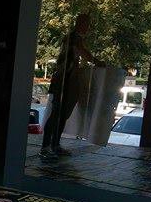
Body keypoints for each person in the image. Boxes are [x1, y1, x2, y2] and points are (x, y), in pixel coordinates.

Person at [41, 13, 105, 158]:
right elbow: (83, 52)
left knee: (61, 114)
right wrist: (97, 62)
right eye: (87, 24)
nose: (88, 28)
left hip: (66, 80)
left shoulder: (71, 38)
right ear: (80, 24)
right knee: (58, 114)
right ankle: (47, 146)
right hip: (65, 81)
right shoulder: (74, 38)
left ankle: (53, 145)